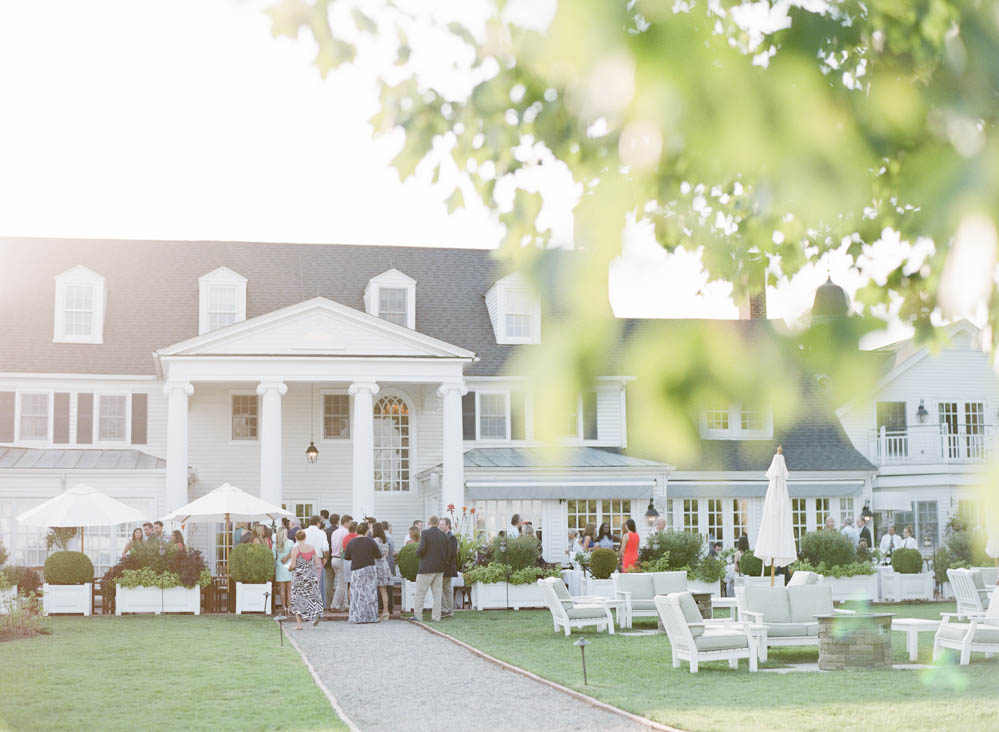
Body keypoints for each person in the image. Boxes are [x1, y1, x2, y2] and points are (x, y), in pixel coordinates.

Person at [413, 515, 449, 622]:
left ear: (429, 522)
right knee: (437, 594)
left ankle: (418, 616)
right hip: (439, 568)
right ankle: (436, 617)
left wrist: (417, 554)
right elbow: (447, 552)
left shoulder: (425, 533)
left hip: (426, 568)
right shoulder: (443, 535)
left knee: (420, 593)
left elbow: (422, 547)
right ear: (438, 523)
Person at [344, 522, 381, 623]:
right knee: (370, 593)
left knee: (357, 593)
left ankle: (357, 616)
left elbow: (347, 557)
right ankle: (371, 616)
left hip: (356, 569)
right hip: (369, 568)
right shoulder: (371, 541)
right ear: (366, 531)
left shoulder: (351, 542)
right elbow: (378, 555)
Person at [288, 529, 323, 630]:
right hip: (311, 576)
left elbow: (293, 565)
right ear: (305, 537)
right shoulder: (311, 547)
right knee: (312, 597)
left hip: (299, 577)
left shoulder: (296, 548)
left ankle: (299, 625)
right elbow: (317, 562)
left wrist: (290, 568)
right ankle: (314, 615)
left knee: (297, 598)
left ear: (296, 538)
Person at [304, 515, 330, 610]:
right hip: (317, 558)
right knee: (316, 583)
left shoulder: (304, 532)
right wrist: (326, 558)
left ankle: (306, 606)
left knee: (306, 582)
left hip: (305, 558)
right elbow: (325, 548)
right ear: (318, 523)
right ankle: (315, 606)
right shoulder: (321, 533)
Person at [330, 514, 352, 612]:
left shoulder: (335, 532)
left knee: (342, 582)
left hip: (333, 558)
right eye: (350, 522)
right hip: (341, 559)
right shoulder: (346, 532)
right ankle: (334, 605)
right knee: (342, 584)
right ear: (346, 522)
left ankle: (345, 604)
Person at [372, 522, 392, 620]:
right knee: (383, 590)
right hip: (384, 564)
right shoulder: (385, 541)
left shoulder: (374, 541)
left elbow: (373, 554)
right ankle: (386, 611)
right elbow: (386, 554)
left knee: (374, 590)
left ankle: (375, 610)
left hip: (376, 565)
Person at [440, 517, 459, 619]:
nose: (440, 526)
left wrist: (441, 563)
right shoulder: (445, 536)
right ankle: (450, 611)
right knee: (447, 590)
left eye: (442, 524)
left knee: (440, 589)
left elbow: (451, 553)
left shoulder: (451, 537)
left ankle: (445, 609)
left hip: (447, 568)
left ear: (447, 525)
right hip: (447, 568)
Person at [273, 526, 294, 613]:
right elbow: (293, 553)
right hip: (288, 565)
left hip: (280, 566)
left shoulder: (275, 544)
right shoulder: (291, 542)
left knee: (282, 588)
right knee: (289, 588)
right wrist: (287, 557)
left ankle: (283, 607)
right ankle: (289, 607)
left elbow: (273, 557)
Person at [324, 513, 339, 609]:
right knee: (339, 583)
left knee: (328, 583)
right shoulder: (339, 531)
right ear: (338, 521)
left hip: (328, 559)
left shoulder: (326, 531)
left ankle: (329, 603)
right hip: (337, 557)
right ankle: (337, 602)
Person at [341, 521, 359, 603]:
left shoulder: (345, 538)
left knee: (349, 583)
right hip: (355, 561)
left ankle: (349, 601)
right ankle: (355, 600)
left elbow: (343, 550)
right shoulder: (358, 538)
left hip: (346, 561)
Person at [382, 521, 396, 615]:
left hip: (385, 563)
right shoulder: (390, 537)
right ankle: (390, 607)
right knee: (388, 586)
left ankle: (388, 607)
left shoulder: (385, 537)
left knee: (386, 586)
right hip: (390, 562)